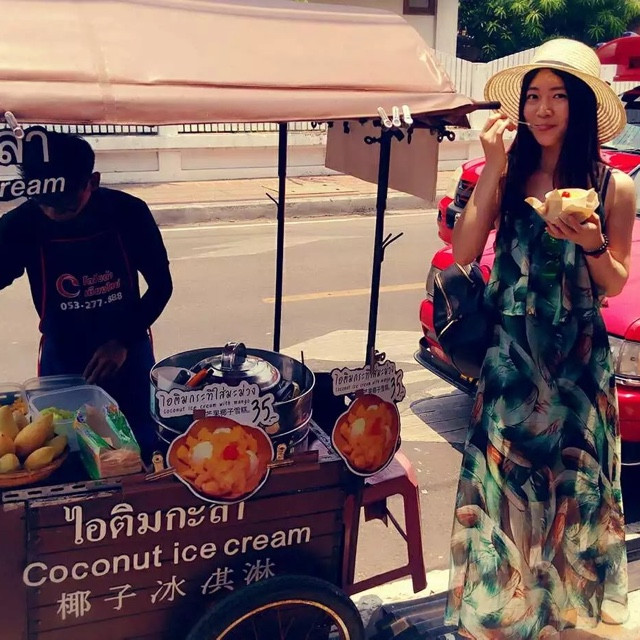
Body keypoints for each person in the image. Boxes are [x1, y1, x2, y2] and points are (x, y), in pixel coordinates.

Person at [444, 39, 635, 639]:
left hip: (578, 364)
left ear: (580, 107)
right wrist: (492, 165)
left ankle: (560, 615)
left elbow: (615, 280)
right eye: (533, 97)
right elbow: (464, 249)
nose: (542, 109)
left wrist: (592, 243)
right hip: (512, 361)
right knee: (502, 490)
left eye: (558, 96)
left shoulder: (614, 187)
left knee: (573, 494)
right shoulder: (508, 175)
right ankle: (506, 613)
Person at [0, 132, 173, 460]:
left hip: (127, 350)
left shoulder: (129, 213)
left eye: (66, 205)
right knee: (64, 449)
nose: (53, 213)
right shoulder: (21, 224)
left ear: (93, 181)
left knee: (139, 445)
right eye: (44, 203)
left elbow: (161, 285)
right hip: (62, 356)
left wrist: (121, 341)